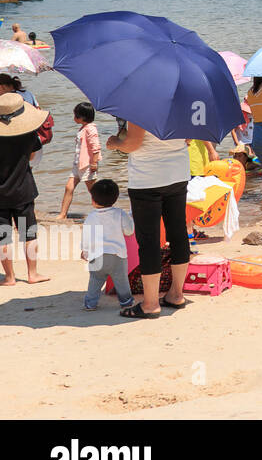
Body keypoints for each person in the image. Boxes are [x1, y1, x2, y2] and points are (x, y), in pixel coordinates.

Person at [106, 118, 191, 317]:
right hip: (178, 173)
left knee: (149, 240)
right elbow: (188, 139)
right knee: (178, 232)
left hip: (148, 179)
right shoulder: (181, 103)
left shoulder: (141, 105)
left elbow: (132, 144)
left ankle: (151, 303)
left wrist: (114, 143)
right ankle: (176, 294)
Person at [0, 92, 51, 285]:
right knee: (29, 233)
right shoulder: (28, 134)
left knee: (3, 237)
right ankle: (32, 274)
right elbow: (32, 157)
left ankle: (10, 277)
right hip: (23, 189)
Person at [80, 179, 136, 311]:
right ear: (115, 198)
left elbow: (86, 237)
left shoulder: (91, 217)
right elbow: (129, 231)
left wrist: (85, 252)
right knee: (121, 280)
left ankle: (90, 303)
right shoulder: (120, 214)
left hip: (96, 256)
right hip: (117, 255)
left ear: (93, 200)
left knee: (95, 280)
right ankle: (126, 301)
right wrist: (130, 218)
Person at [58, 101, 100, 219]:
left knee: (93, 191)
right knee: (69, 187)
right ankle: (62, 214)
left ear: (81, 117)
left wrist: (94, 163)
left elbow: (95, 146)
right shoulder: (83, 128)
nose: (74, 118)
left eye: (75, 115)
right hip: (78, 164)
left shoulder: (90, 129)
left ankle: (102, 212)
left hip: (87, 164)